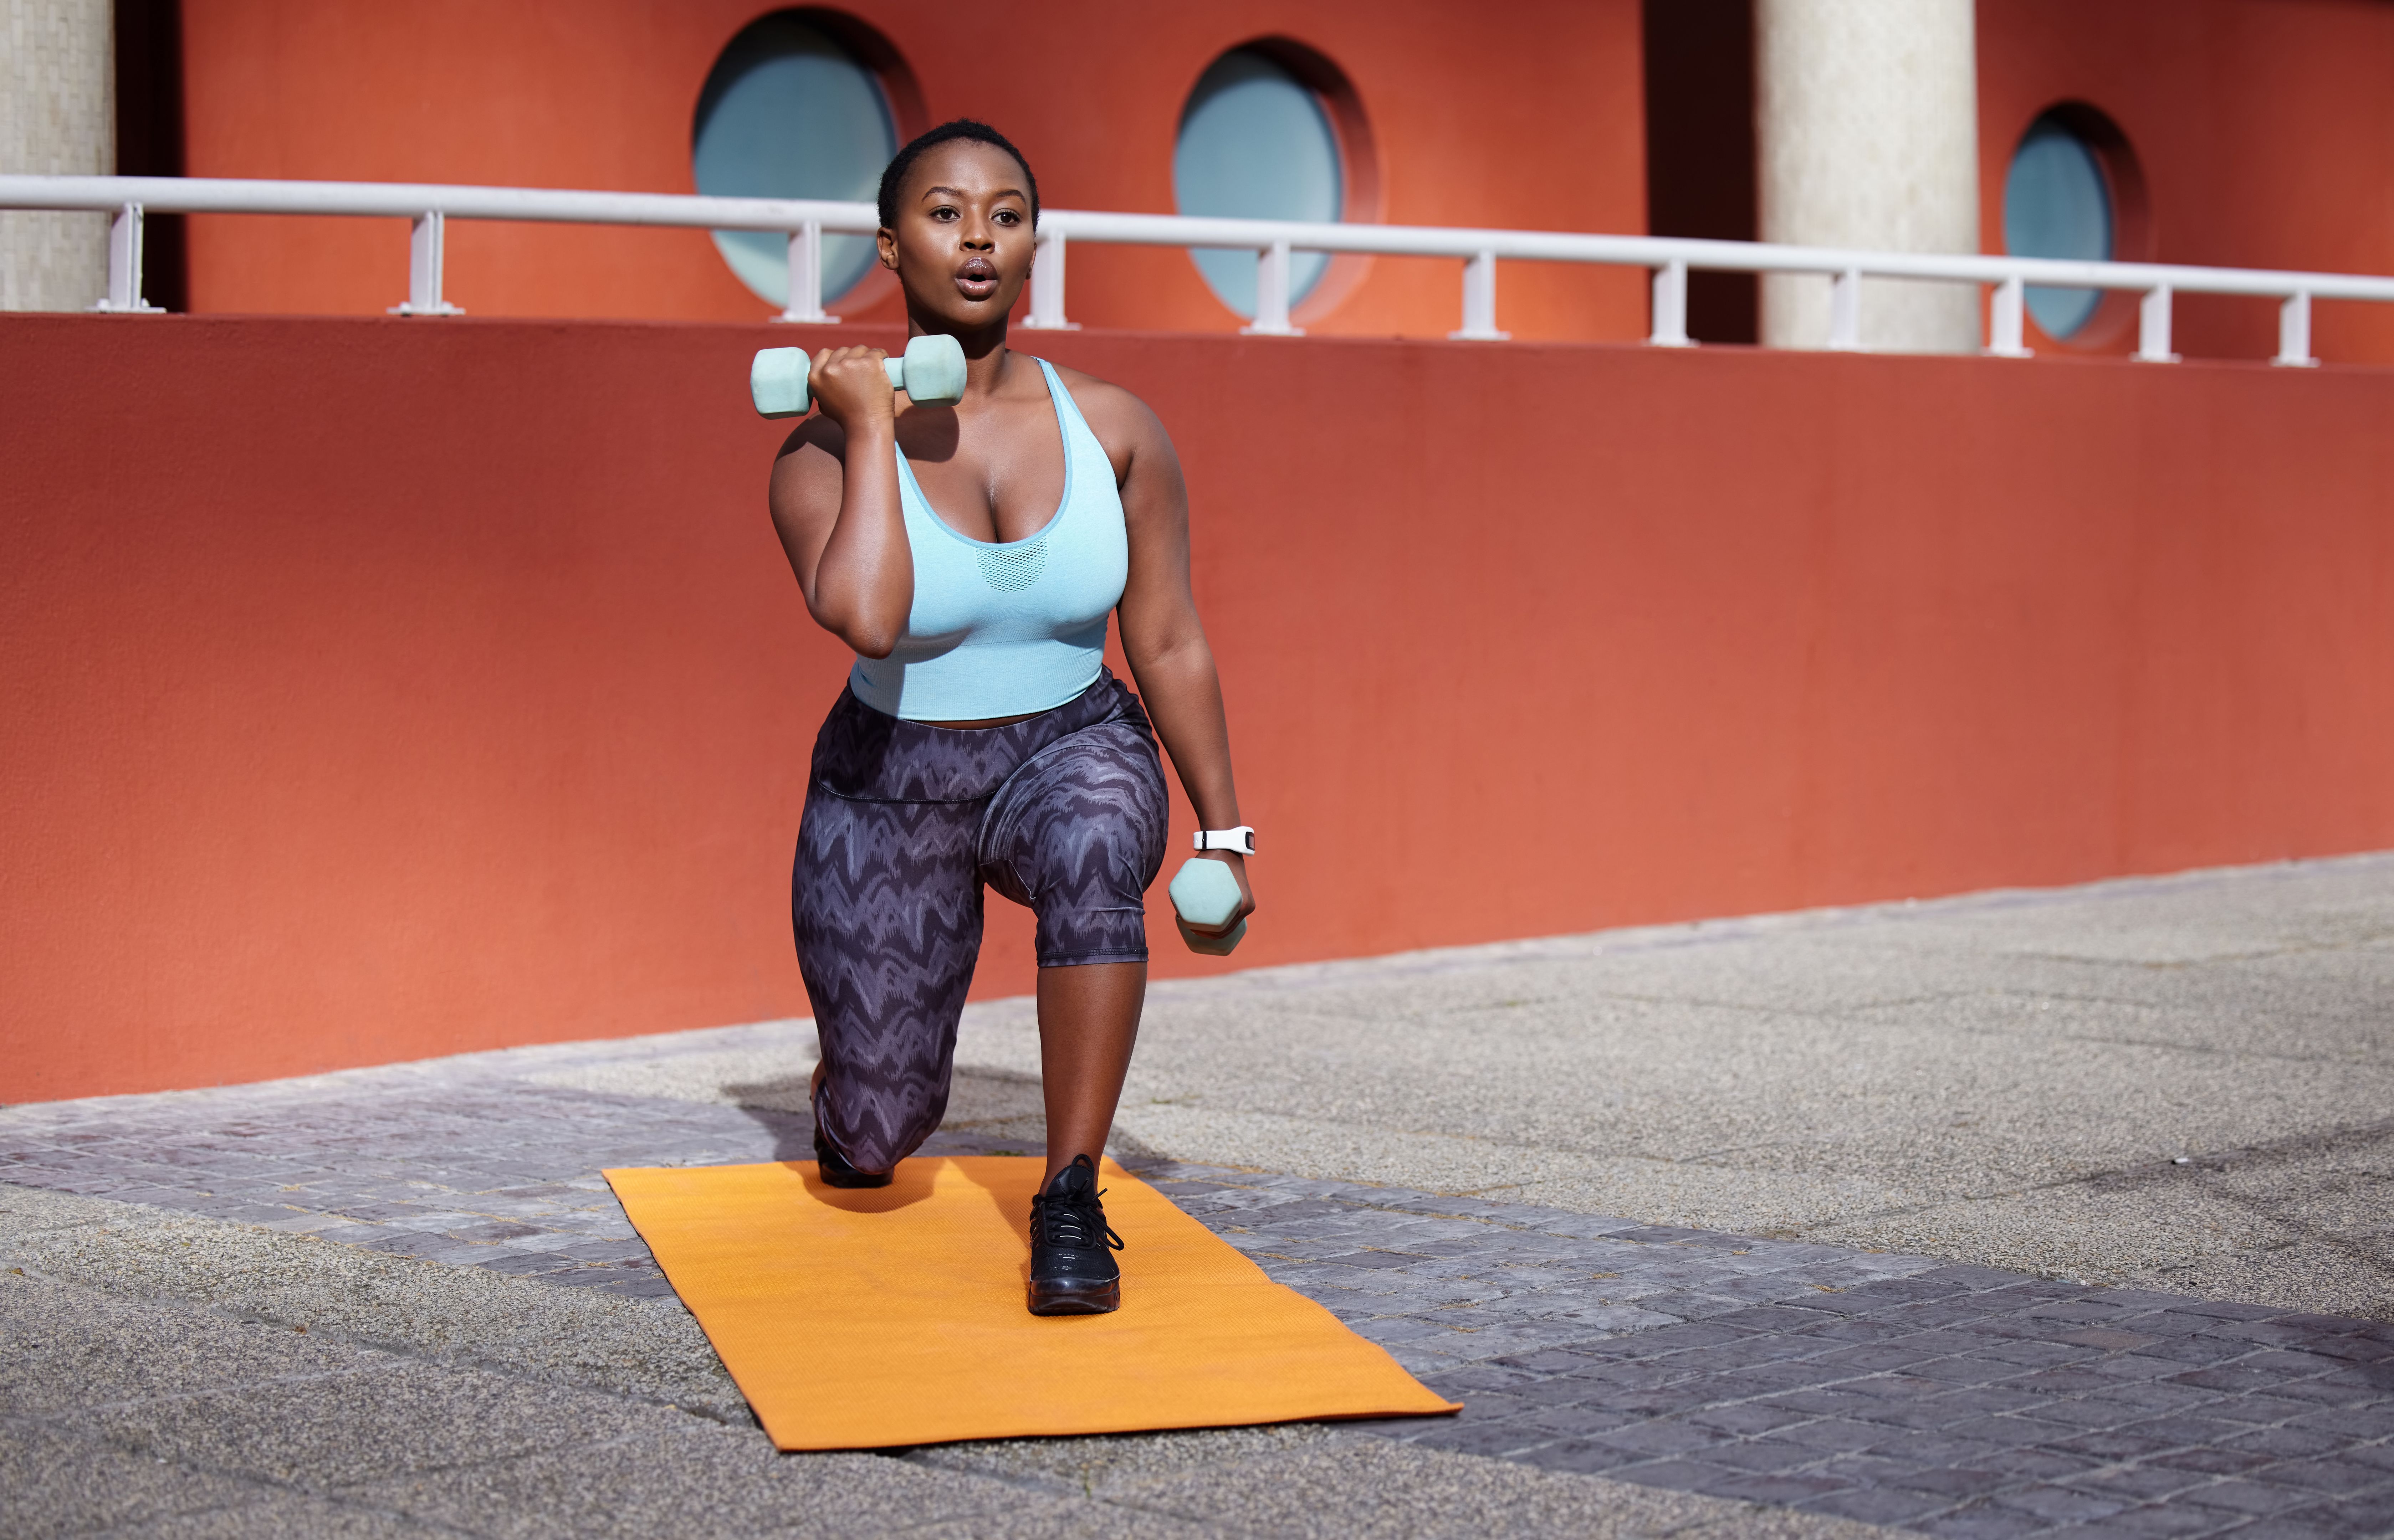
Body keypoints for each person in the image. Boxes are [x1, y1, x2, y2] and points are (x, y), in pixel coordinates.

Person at [767, 120, 1255, 1316]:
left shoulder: (1117, 428)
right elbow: (868, 620)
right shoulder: (818, 448)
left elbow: (1171, 636)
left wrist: (1225, 836)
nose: (977, 236)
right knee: (874, 1135)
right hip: (890, 777)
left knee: (1097, 843)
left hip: (1070, 740)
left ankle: (1071, 1194)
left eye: (1005, 212)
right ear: (889, 246)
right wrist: (876, 426)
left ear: (1034, 241)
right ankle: (860, 1085)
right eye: (943, 212)